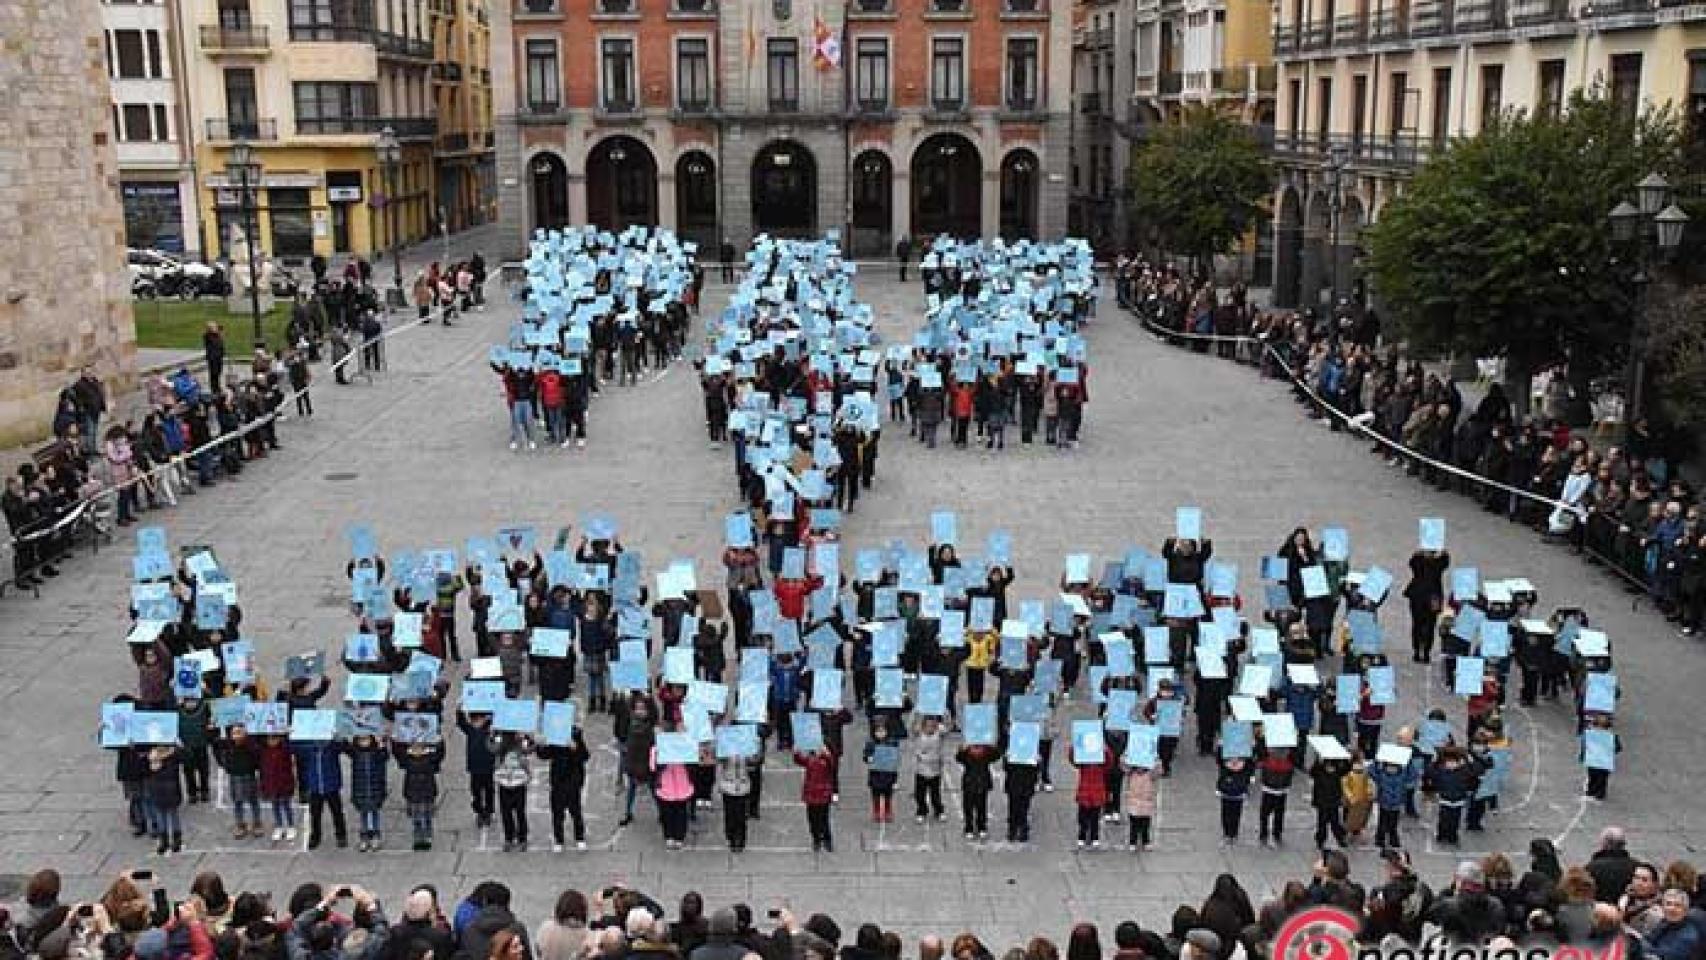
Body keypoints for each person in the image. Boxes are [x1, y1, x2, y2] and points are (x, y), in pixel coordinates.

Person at [538, 729, 590, 852]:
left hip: (573, 781)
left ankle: (579, 837)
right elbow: (545, 755)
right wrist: (541, 745)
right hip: (558, 781)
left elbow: (585, 756)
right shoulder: (554, 736)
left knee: (575, 811)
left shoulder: (576, 734)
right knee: (557, 812)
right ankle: (559, 840)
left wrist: (575, 748)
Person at [796, 746, 836, 852]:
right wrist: (797, 751)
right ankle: (816, 839)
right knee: (812, 819)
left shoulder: (826, 760)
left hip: (823, 795)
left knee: (824, 819)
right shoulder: (809, 759)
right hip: (811, 794)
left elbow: (832, 765)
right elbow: (799, 760)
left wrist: (826, 754)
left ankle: (827, 840)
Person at [204, 323, 226, 394]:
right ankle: (214, 389)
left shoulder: (217, 336)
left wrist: (220, 332)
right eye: (214, 327)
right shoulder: (208, 336)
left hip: (219, 357)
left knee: (218, 373)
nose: (216, 329)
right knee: (214, 374)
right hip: (213, 358)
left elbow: (220, 343)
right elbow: (208, 336)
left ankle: (217, 387)